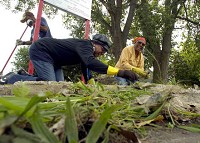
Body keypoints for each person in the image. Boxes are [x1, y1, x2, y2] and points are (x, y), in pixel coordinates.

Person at [26, 34, 138, 83]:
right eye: (102, 50)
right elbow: (90, 63)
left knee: (59, 85)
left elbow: (87, 70)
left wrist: (92, 85)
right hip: (41, 50)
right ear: (95, 44)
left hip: (55, 61)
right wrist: (120, 72)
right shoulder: (85, 45)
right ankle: (15, 78)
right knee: (49, 84)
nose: (102, 54)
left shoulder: (86, 54)